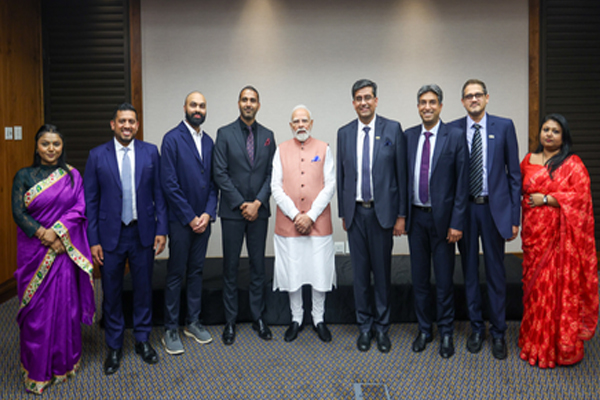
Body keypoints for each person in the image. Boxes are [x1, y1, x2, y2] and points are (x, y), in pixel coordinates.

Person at [84, 103, 168, 374]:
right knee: (111, 292)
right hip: (110, 236)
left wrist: (161, 229)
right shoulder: (97, 155)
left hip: (143, 232)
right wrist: (93, 240)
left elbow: (159, 194)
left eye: (131, 121)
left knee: (143, 289)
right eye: (122, 121)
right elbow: (90, 202)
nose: (127, 126)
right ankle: (114, 345)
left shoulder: (150, 152)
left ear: (137, 125)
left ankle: (143, 339)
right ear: (113, 124)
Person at [12, 124, 95, 394]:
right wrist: (44, 234)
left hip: (63, 251)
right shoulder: (24, 176)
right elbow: (18, 212)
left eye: (56, 144)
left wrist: (59, 233)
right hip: (34, 252)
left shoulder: (72, 176)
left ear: (62, 146)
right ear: (37, 147)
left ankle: (62, 364)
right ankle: (36, 369)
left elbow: (80, 208)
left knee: (64, 308)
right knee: (36, 313)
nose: (51, 149)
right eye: (45, 143)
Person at [519, 113, 598, 368]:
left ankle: (557, 346)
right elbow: (517, 189)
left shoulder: (573, 164)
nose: (549, 135)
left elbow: (581, 199)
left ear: (563, 137)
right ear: (540, 133)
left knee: (556, 289)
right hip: (534, 235)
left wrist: (547, 199)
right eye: (546, 129)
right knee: (535, 290)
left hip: (561, 240)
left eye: (555, 131)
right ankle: (534, 340)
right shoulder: (528, 161)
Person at [449, 79, 521, 360]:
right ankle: (477, 329)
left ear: (487, 98)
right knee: (469, 272)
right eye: (468, 96)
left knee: (496, 274)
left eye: (478, 94)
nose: (474, 99)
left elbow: (514, 176)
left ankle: (499, 332)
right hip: (465, 211)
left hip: (494, 210)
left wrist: (514, 217)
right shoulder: (453, 129)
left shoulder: (504, 126)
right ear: (463, 101)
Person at [337, 79, 407, 353]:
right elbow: (342, 176)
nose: (363, 102)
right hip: (356, 214)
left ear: (376, 101)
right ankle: (364, 327)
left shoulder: (392, 129)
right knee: (360, 276)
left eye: (368, 97)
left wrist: (401, 215)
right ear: (353, 103)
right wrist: (344, 213)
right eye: (359, 98)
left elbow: (400, 175)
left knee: (382, 273)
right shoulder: (344, 133)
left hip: (383, 214)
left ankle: (382, 328)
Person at [405, 85, 468, 358]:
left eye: (432, 102)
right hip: (416, 219)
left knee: (443, 281)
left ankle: (446, 332)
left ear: (440, 106)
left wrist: (457, 222)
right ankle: (424, 330)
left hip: (444, 222)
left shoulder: (454, 136)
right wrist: (401, 217)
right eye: (422, 102)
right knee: (419, 279)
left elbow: (462, 183)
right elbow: (402, 178)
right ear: (418, 106)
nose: (427, 107)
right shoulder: (408, 136)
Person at [213, 85, 277, 345]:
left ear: (258, 105)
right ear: (238, 103)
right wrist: (242, 204)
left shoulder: (268, 136)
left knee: (258, 266)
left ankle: (258, 317)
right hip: (233, 212)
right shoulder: (224, 133)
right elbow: (220, 173)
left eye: (253, 100)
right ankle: (230, 321)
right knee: (230, 267)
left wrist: (258, 202)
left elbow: (273, 173)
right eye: (244, 99)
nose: (248, 104)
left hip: (259, 212)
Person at [271, 105, 336, 343]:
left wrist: (311, 215)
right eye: (296, 121)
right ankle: (296, 318)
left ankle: (319, 318)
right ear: (291, 125)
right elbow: (275, 186)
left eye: (304, 121)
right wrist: (295, 215)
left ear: (311, 123)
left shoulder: (324, 148)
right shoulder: (280, 150)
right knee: (293, 272)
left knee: (319, 272)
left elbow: (330, 185)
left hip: (318, 223)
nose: (301, 125)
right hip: (289, 225)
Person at [160, 91, 218, 355]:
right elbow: (169, 185)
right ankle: (170, 328)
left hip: (203, 221)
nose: (198, 109)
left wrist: (207, 214)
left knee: (196, 271)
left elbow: (214, 184)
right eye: (194, 105)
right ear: (184, 107)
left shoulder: (209, 141)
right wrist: (190, 217)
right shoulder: (171, 139)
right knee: (175, 273)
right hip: (181, 221)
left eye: (202, 106)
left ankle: (192, 322)